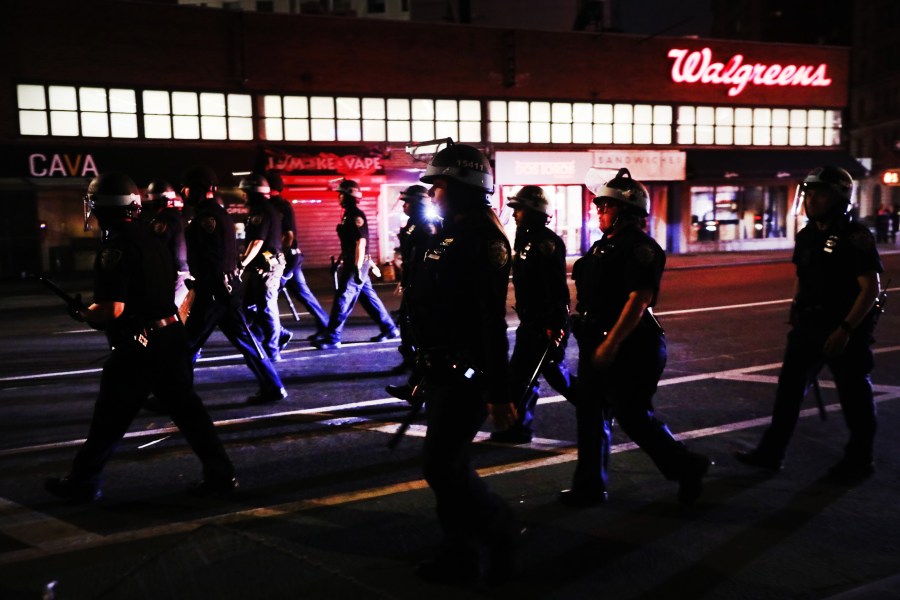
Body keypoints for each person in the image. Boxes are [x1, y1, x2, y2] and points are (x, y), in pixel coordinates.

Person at [45, 172, 236, 503]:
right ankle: (220, 474)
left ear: (102, 207)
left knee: (109, 417)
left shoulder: (115, 247)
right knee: (190, 414)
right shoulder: (151, 236)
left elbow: (112, 309)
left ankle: (83, 482)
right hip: (171, 336)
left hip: (141, 346)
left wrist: (84, 313)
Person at [561, 167, 710, 508]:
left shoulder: (641, 248)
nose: (598, 210)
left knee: (631, 415)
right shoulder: (602, 246)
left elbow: (638, 300)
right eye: (598, 205)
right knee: (590, 414)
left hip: (631, 346)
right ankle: (589, 486)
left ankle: (687, 466)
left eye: (606, 206)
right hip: (597, 341)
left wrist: (610, 344)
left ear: (627, 212)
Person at [407, 142, 521, 584]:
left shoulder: (482, 240)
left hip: (466, 374)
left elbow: (489, 322)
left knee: (442, 467)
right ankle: (459, 553)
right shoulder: (449, 235)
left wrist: (499, 392)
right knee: (444, 468)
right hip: (441, 370)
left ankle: (501, 532)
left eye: (438, 184)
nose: (432, 193)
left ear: (460, 186)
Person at [734, 166, 883, 483]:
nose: (811, 199)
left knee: (854, 397)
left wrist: (845, 329)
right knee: (788, 392)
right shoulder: (807, 234)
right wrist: (795, 307)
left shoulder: (855, 236)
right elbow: (803, 276)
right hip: (809, 326)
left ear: (839, 197)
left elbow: (870, 289)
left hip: (844, 328)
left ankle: (860, 459)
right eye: (809, 193)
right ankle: (771, 453)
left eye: (820, 193)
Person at [180, 166, 287, 405]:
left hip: (213, 291)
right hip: (226, 290)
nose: (182, 191)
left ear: (198, 189)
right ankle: (273, 386)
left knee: (186, 344)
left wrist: (201, 288)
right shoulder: (216, 213)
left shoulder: (206, 217)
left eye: (186, 187)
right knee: (246, 340)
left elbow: (213, 258)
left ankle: (176, 395)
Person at [490, 185, 576, 444]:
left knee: (525, 376)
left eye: (520, 209)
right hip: (532, 321)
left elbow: (554, 287)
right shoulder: (526, 239)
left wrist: (552, 323)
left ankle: (519, 428)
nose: (515, 214)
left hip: (545, 322)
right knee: (542, 373)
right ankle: (596, 405)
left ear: (533, 212)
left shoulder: (545, 243)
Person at [313, 179, 399, 350]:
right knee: (368, 299)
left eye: (341, 194)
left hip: (356, 264)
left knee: (343, 298)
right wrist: (340, 260)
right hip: (354, 261)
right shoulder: (347, 215)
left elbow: (360, 242)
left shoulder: (355, 216)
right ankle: (389, 329)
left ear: (348, 196)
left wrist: (358, 268)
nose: (339, 197)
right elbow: (349, 243)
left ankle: (332, 338)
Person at [385, 185, 439, 400]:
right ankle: (413, 372)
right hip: (413, 283)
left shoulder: (427, 225)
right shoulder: (412, 223)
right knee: (409, 330)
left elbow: (426, 260)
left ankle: (418, 387)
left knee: (423, 337)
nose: (404, 205)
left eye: (407, 202)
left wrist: (418, 283)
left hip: (423, 288)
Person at [267, 169, 329, 347]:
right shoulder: (276, 206)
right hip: (291, 258)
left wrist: (279, 258)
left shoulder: (280, 207)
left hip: (286, 259)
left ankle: (272, 333)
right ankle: (325, 324)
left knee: (266, 294)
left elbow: (289, 235)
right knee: (303, 294)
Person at [238, 174, 287, 362]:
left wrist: (242, 264)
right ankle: (273, 335)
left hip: (267, 267)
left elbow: (257, 241)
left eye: (245, 192)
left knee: (266, 306)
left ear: (253, 193)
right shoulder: (265, 209)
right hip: (261, 266)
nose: (243, 196)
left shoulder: (261, 212)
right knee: (245, 303)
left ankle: (273, 348)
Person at [142, 179, 190, 310]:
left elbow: (156, 249)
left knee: (166, 312)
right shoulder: (180, 218)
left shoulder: (163, 221)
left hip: (173, 274)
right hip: (184, 272)